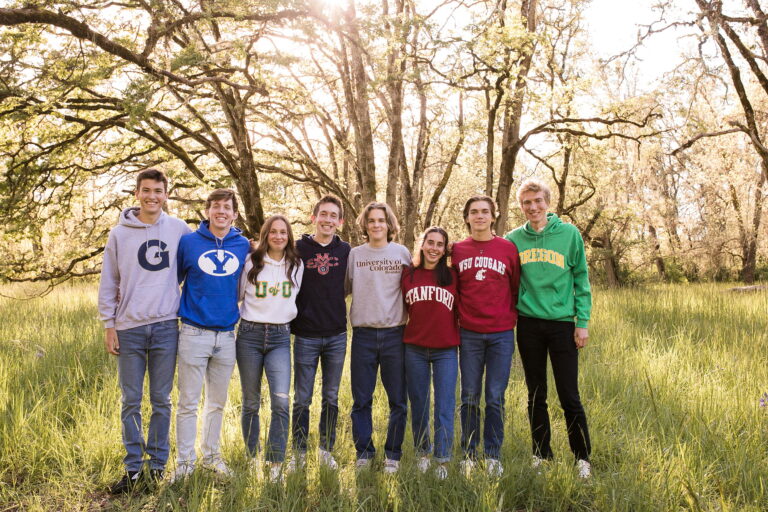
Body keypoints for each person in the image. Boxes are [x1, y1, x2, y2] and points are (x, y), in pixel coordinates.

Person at [98, 168, 191, 494]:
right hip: (130, 328)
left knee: (162, 400)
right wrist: (109, 324)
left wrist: (249, 245)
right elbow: (109, 281)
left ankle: (157, 467)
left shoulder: (179, 229)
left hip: (166, 325)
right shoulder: (119, 234)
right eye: (147, 190)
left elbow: (204, 252)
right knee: (131, 401)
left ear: (166, 194)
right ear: (137, 193)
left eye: (158, 191)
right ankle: (134, 469)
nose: (152, 196)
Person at [504, 179, 593, 479]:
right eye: (527, 203)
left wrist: (582, 323)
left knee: (569, 393)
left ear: (548, 202)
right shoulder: (513, 239)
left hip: (563, 324)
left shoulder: (569, 235)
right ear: (521, 206)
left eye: (538, 201)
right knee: (536, 393)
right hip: (529, 324)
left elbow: (581, 279)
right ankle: (541, 455)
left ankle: (582, 458)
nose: (533, 207)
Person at [172, 189, 250, 481]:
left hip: (228, 335)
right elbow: (173, 280)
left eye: (227, 208)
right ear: (207, 211)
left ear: (235, 214)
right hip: (193, 332)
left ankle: (212, 457)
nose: (221, 212)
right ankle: (184, 463)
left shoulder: (242, 245)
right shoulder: (189, 243)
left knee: (217, 403)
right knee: (188, 403)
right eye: (215, 206)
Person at [452, 195, 520, 477]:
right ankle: (469, 453)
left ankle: (492, 455)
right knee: (469, 396)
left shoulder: (507, 249)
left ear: (494, 216)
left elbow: (515, 287)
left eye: (484, 212)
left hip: (501, 334)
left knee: (494, 397)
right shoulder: (456, 250)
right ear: (466, 218)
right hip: (468, 334)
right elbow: (451, 289)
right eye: (474, 212)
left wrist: (507, 319)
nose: (479, 216)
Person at [237, 214, 304, 483]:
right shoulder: (252, 261)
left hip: (279, 336)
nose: (278, 236)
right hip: (250, 335)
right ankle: (253, 457)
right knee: (251, 402)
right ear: (266, 235)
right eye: (273, 232)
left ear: (289, 236)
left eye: (283, 232)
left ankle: (275, 463)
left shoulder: (296, 264)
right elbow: (239, 296)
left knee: (280, 401)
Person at [346, 202, 412, 473]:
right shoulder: (354, 255)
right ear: (365, 225)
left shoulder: (401, 253)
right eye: (371, 220)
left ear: (389, 225)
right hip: (363, 335)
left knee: (398, 400)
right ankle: (364, 453)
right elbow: (343, 290)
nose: (376, 225)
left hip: (395, 334)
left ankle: (392, 456)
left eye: (381, 220)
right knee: (361, 399)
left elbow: (413, 289)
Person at [289, 195, 351, 471]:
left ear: (340, 221)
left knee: (331, 396)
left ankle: (326, 449)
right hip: (305, 335)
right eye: (322, 214)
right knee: (302, 397)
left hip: (337, 334)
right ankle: (299, 452)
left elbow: (349, 285)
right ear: (314, 218)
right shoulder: (297, 248)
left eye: (333, 216)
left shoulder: (347, 251)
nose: (327, 220)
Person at [401, 226, 460, 480]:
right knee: (420, 404)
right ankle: (423, 453)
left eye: (440, 244)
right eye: (430, 242)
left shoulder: (453, 275)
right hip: (414, 348)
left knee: (445, 405)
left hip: (446, 349)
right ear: (422, 244)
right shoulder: (408, 274)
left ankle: (443, 459)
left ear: (445, 249)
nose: (434, 248)